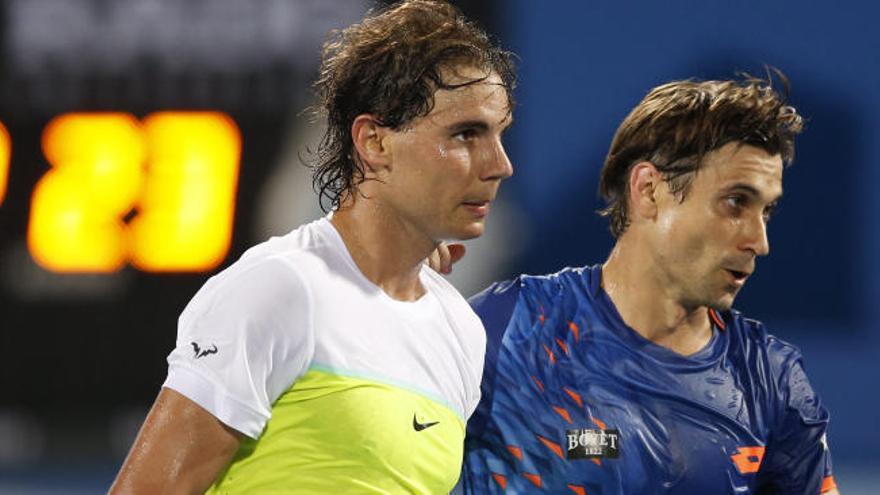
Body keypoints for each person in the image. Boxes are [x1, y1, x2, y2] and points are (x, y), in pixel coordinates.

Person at [109, 1, 515, 493]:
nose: (498, 164)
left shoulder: (460, 330)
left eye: (498, 134)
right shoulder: (280, 289)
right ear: (374, 142)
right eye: (465, 134)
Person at [448, 75, 839, 494]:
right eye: (735, 202)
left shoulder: (772, 381)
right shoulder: (503, 330)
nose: (759, 242)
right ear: (649, 190)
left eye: (766, 212)